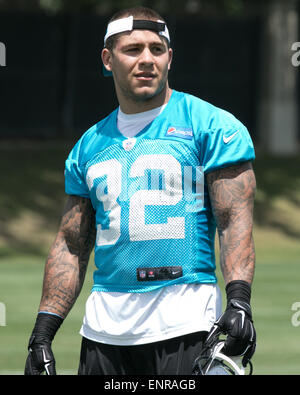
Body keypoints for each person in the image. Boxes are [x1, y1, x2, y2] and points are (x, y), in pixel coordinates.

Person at [24, 6, 256, 375]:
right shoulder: (88, 146)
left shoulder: (211, 125)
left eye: (156, 49)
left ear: (169, 58)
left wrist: (239, 300)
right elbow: (70, 243)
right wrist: (42, 334)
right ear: (107, 59)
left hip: (187, 322)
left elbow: (233, 219)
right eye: (133, 49)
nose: (147, 59)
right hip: (104, 333)